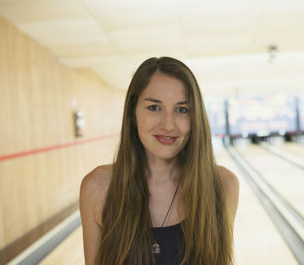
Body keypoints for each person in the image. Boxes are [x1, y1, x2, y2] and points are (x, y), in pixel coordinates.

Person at [79, 57, 239, 265]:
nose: (168, 125)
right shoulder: (97, 187)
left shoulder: (223, 184)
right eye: (154, 108)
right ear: (132, 113)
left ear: (195, 118)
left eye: (182, 110)